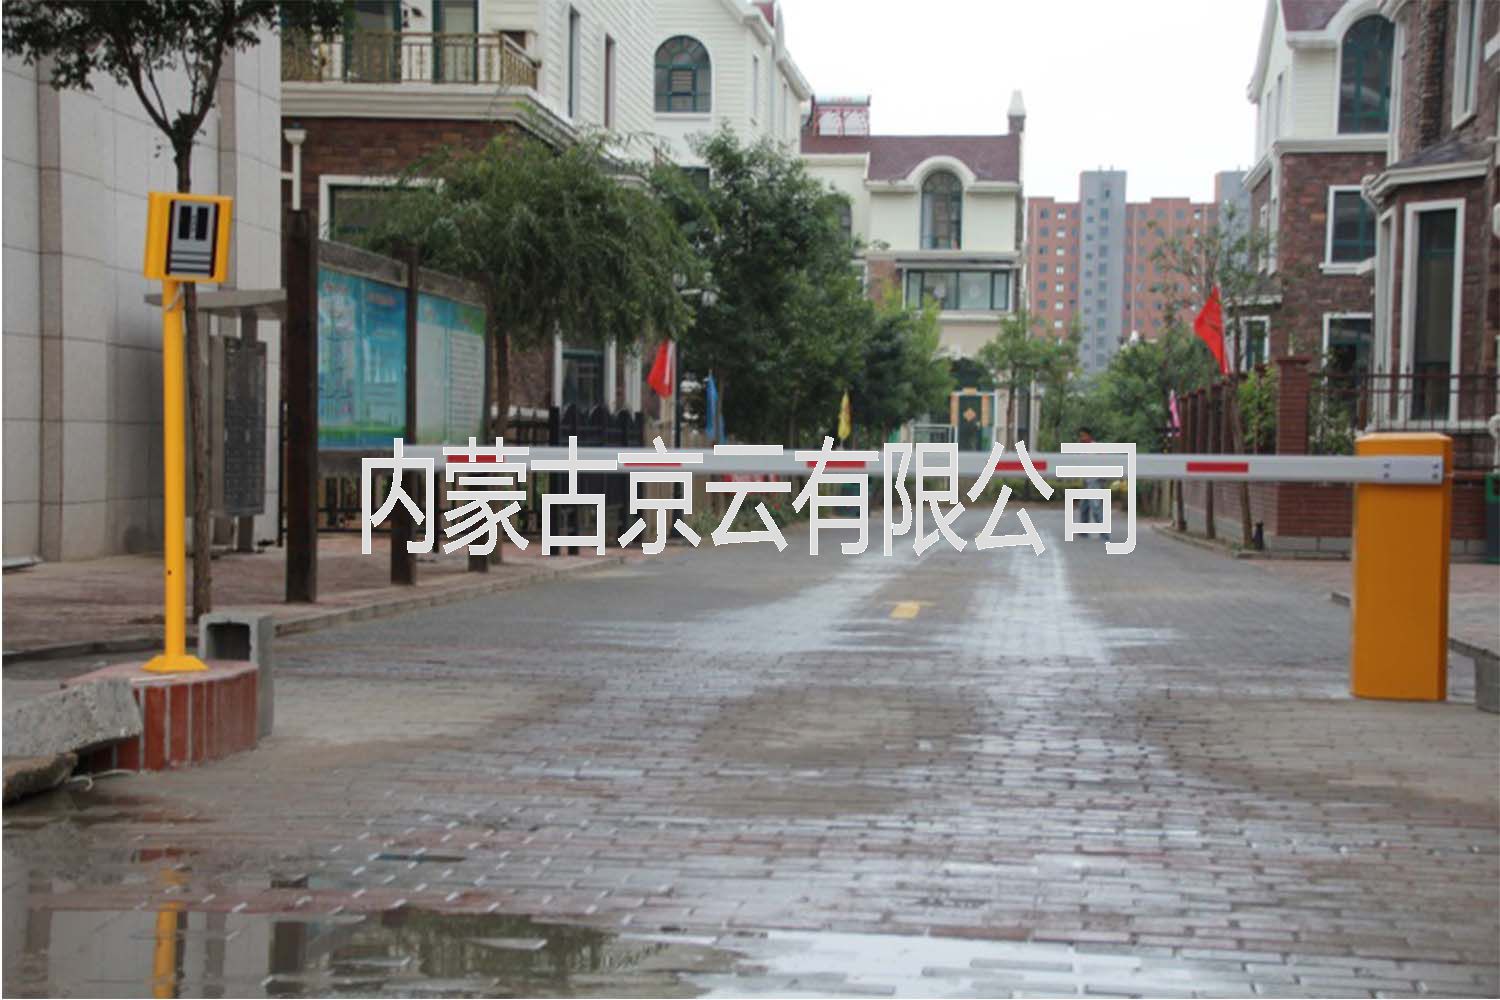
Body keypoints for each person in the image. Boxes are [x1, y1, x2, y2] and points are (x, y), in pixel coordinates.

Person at [1075, 427, 1109, 541]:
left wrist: (1103, 479)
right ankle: (1083, 531)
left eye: (1083, 435)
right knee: (1084, 506)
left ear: (1089, 436)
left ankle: (1104, 534)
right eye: (1080, 436)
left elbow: (1105, 463)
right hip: (1087, 480)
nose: (1081, 438)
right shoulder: (1081, 449)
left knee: (1095, 507)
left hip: (1096, 480)